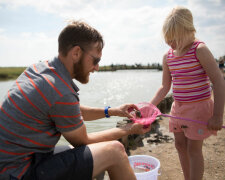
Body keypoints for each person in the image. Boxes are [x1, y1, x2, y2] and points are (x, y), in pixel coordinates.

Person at [0, 21, 151, 180]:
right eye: (95, 60)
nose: (97, 67)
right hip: (19, 173)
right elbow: (84, 141)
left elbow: (73, 111)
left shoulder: (40, 71)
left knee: (87, 153)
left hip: (14, 165)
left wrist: (112, 111)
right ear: (76, 53)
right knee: (115, 151)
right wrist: (130, 129)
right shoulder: (60, 91)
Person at [150, 6, 225, 180]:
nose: (170, 43)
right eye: (168, 39)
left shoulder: (199, 50)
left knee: (193, 149)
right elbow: (164, 87)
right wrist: (149, 106)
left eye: (174, 38)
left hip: (198, 109)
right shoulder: (168, 57)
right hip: (178, 109)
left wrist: (217, 116)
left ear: (188, 31)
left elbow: (219, 81)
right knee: (180, 145)